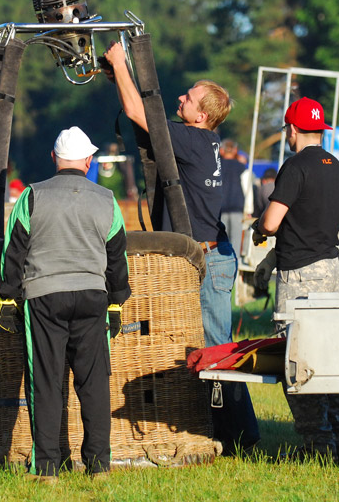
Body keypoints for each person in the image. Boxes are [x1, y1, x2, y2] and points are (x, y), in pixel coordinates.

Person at [102, 42, 259, 453]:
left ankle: (241, 437)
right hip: (213, 253)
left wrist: (121, 62)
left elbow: (140, 115)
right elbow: (141, 121)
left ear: (201, 116)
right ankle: (222, 427)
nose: (179, 98)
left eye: (187, 98)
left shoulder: (191, 140)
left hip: (208, 257)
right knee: (212, 347)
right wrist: (117, 75)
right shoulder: (202, 141)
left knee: (217, 351)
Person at [0, 126, 131, 482]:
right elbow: (118, 256)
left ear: (54, 159)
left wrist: (8, 297)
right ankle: (99, 465)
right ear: (88, 161)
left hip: (44, 297)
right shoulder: (107, 199)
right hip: (92, 296)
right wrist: (116, 303)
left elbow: (14, 251)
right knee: (94, 383)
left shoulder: (32, 196)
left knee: (46, 380)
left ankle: (47, 468)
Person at [251, 97, 339, 461]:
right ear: (320, 129)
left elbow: (273, 222)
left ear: (292, 129)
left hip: (300, 278)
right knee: (328, 359)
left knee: (297, 360)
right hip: (331, 272)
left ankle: (316, 448)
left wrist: (260, 227)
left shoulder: (294, 167)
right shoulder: (335, 167)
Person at [219, 139, 246, 257]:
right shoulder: (242, 167)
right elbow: (247, 189)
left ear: (221, 150)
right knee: (235, 241)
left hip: (220, 208)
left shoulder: (216, 166)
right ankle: (235, 269)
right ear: (235, 150)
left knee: (221, 240)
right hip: (237, 207)